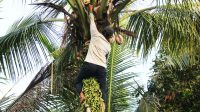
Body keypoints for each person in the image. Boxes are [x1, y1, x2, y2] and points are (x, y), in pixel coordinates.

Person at [75, 4, 123, 111]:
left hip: (89, 65)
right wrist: (117, 37)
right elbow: (112, 40)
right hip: (101, 68)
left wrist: (91, 10)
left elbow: (91, 20)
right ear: (110, 37)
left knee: (77, 81)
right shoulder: (108, 47)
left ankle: (82, 95)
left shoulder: (95, 34)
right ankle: (103, 104)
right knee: (103, 89)